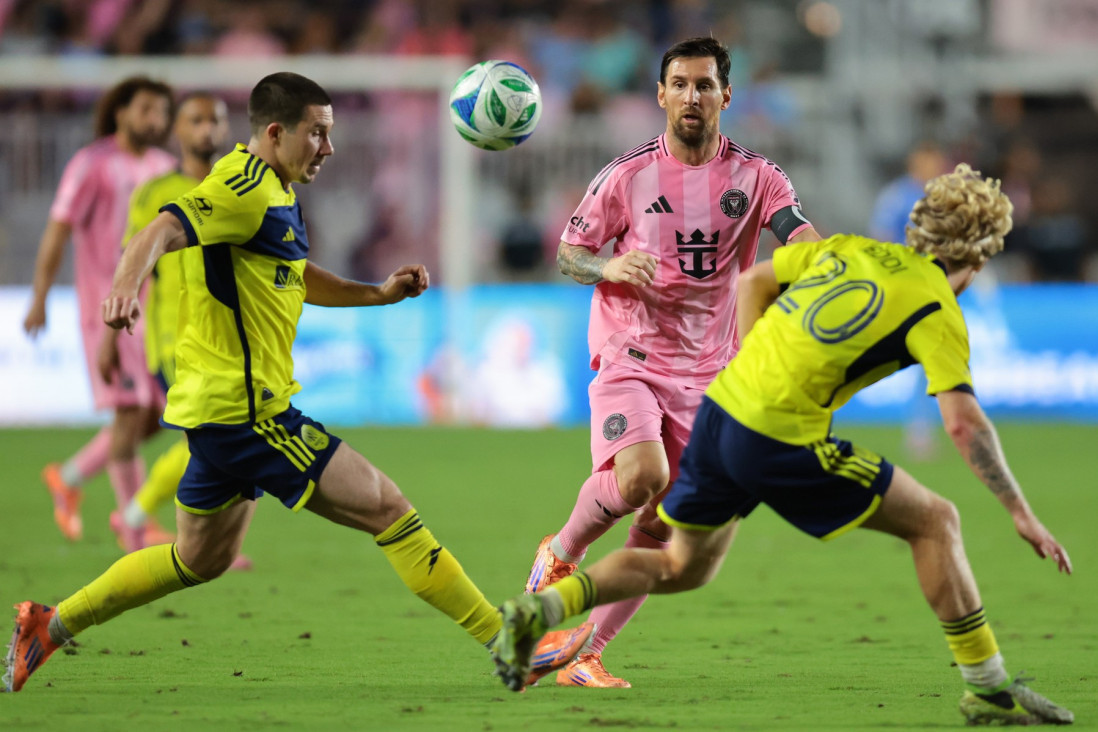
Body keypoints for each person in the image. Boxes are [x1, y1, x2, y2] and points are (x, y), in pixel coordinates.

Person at [3, 72, 591, 693]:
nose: (329, 148)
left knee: (196, 559)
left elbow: (293, 273)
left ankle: (50, 625)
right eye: (318, 133)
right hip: (249, 415)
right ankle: (508, 641)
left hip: (215, 415)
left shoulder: (273, 187)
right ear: (277, 133)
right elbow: (160, 230)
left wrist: (377, 294)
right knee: (390, 511)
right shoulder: (240, 187)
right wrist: (125, 287)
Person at [492, 164, 1075, 726]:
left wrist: (749, 362)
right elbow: (962, 423)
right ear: (976, 255)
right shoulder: (937, 306)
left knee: (680, 564)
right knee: (937, 522)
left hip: (722, 409)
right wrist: (1021, 514)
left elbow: (754, 280)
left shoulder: (846, 248)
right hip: (776, 436)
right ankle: (988, 691)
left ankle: (540, 609)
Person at [522, 36, 820, 687]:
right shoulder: (625, 175)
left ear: (726, 96)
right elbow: (570, 256)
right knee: (641, 478)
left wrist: (824, 263)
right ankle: (562, 551)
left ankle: (584, 654)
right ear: (660, 95)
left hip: (714, 375)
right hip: (631, 352)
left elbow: (798, 232)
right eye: (680, 84)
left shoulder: (759, 176)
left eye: (704, 85)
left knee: (666, 526)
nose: (692, 95)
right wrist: (611, 264)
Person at [23, 76, 177, 543]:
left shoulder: (165, 167)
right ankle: (135, 529)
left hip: (158, 313)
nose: (156, 120)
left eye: (162, 112)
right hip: (107, 310)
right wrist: (40, 296)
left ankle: (69, 477)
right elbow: (58, 229)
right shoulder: (91, 165)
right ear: (120, 113)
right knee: (131, 414)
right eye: (146, 109)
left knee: (156, 415)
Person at [102, 91, 248, 570]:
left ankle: (209, 544)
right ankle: (136, 515)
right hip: (175, 339)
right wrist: (109, 337)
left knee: (230, 439)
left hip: (230, 339)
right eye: (196, 120)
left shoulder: (239, 185)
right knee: (209, 440)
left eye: (215, 120)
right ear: (178, 131)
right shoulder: (155, 190)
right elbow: (133, 257)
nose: (207, 128)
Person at [869, 141, 949, 460]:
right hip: (899, 286)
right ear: (916, 162)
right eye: (929, 160)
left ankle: (920, 430)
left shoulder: (944, 198)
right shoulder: (898, 196)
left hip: (929, 289)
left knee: (927, 357)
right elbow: (882, 236)